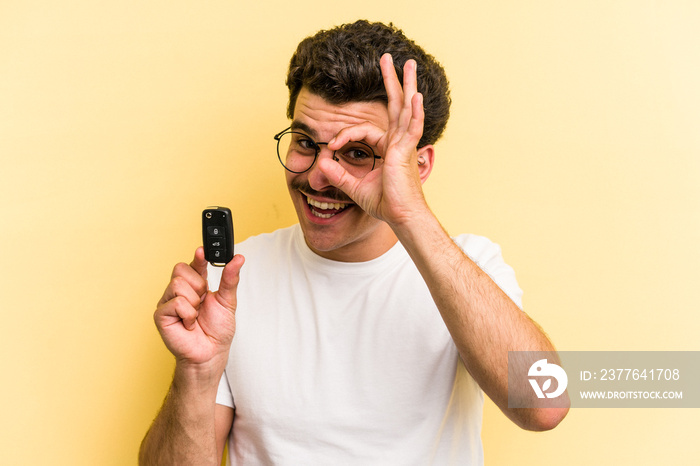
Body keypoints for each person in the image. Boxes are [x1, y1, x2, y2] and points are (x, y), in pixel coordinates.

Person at [139, 20, 569, 465]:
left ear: (417, 167)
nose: (319, 175)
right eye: (306, 142)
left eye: (358, 153)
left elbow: (544, 403)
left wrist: (407, 212)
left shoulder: (469, 266)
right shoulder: (232, 279)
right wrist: (197, 372)